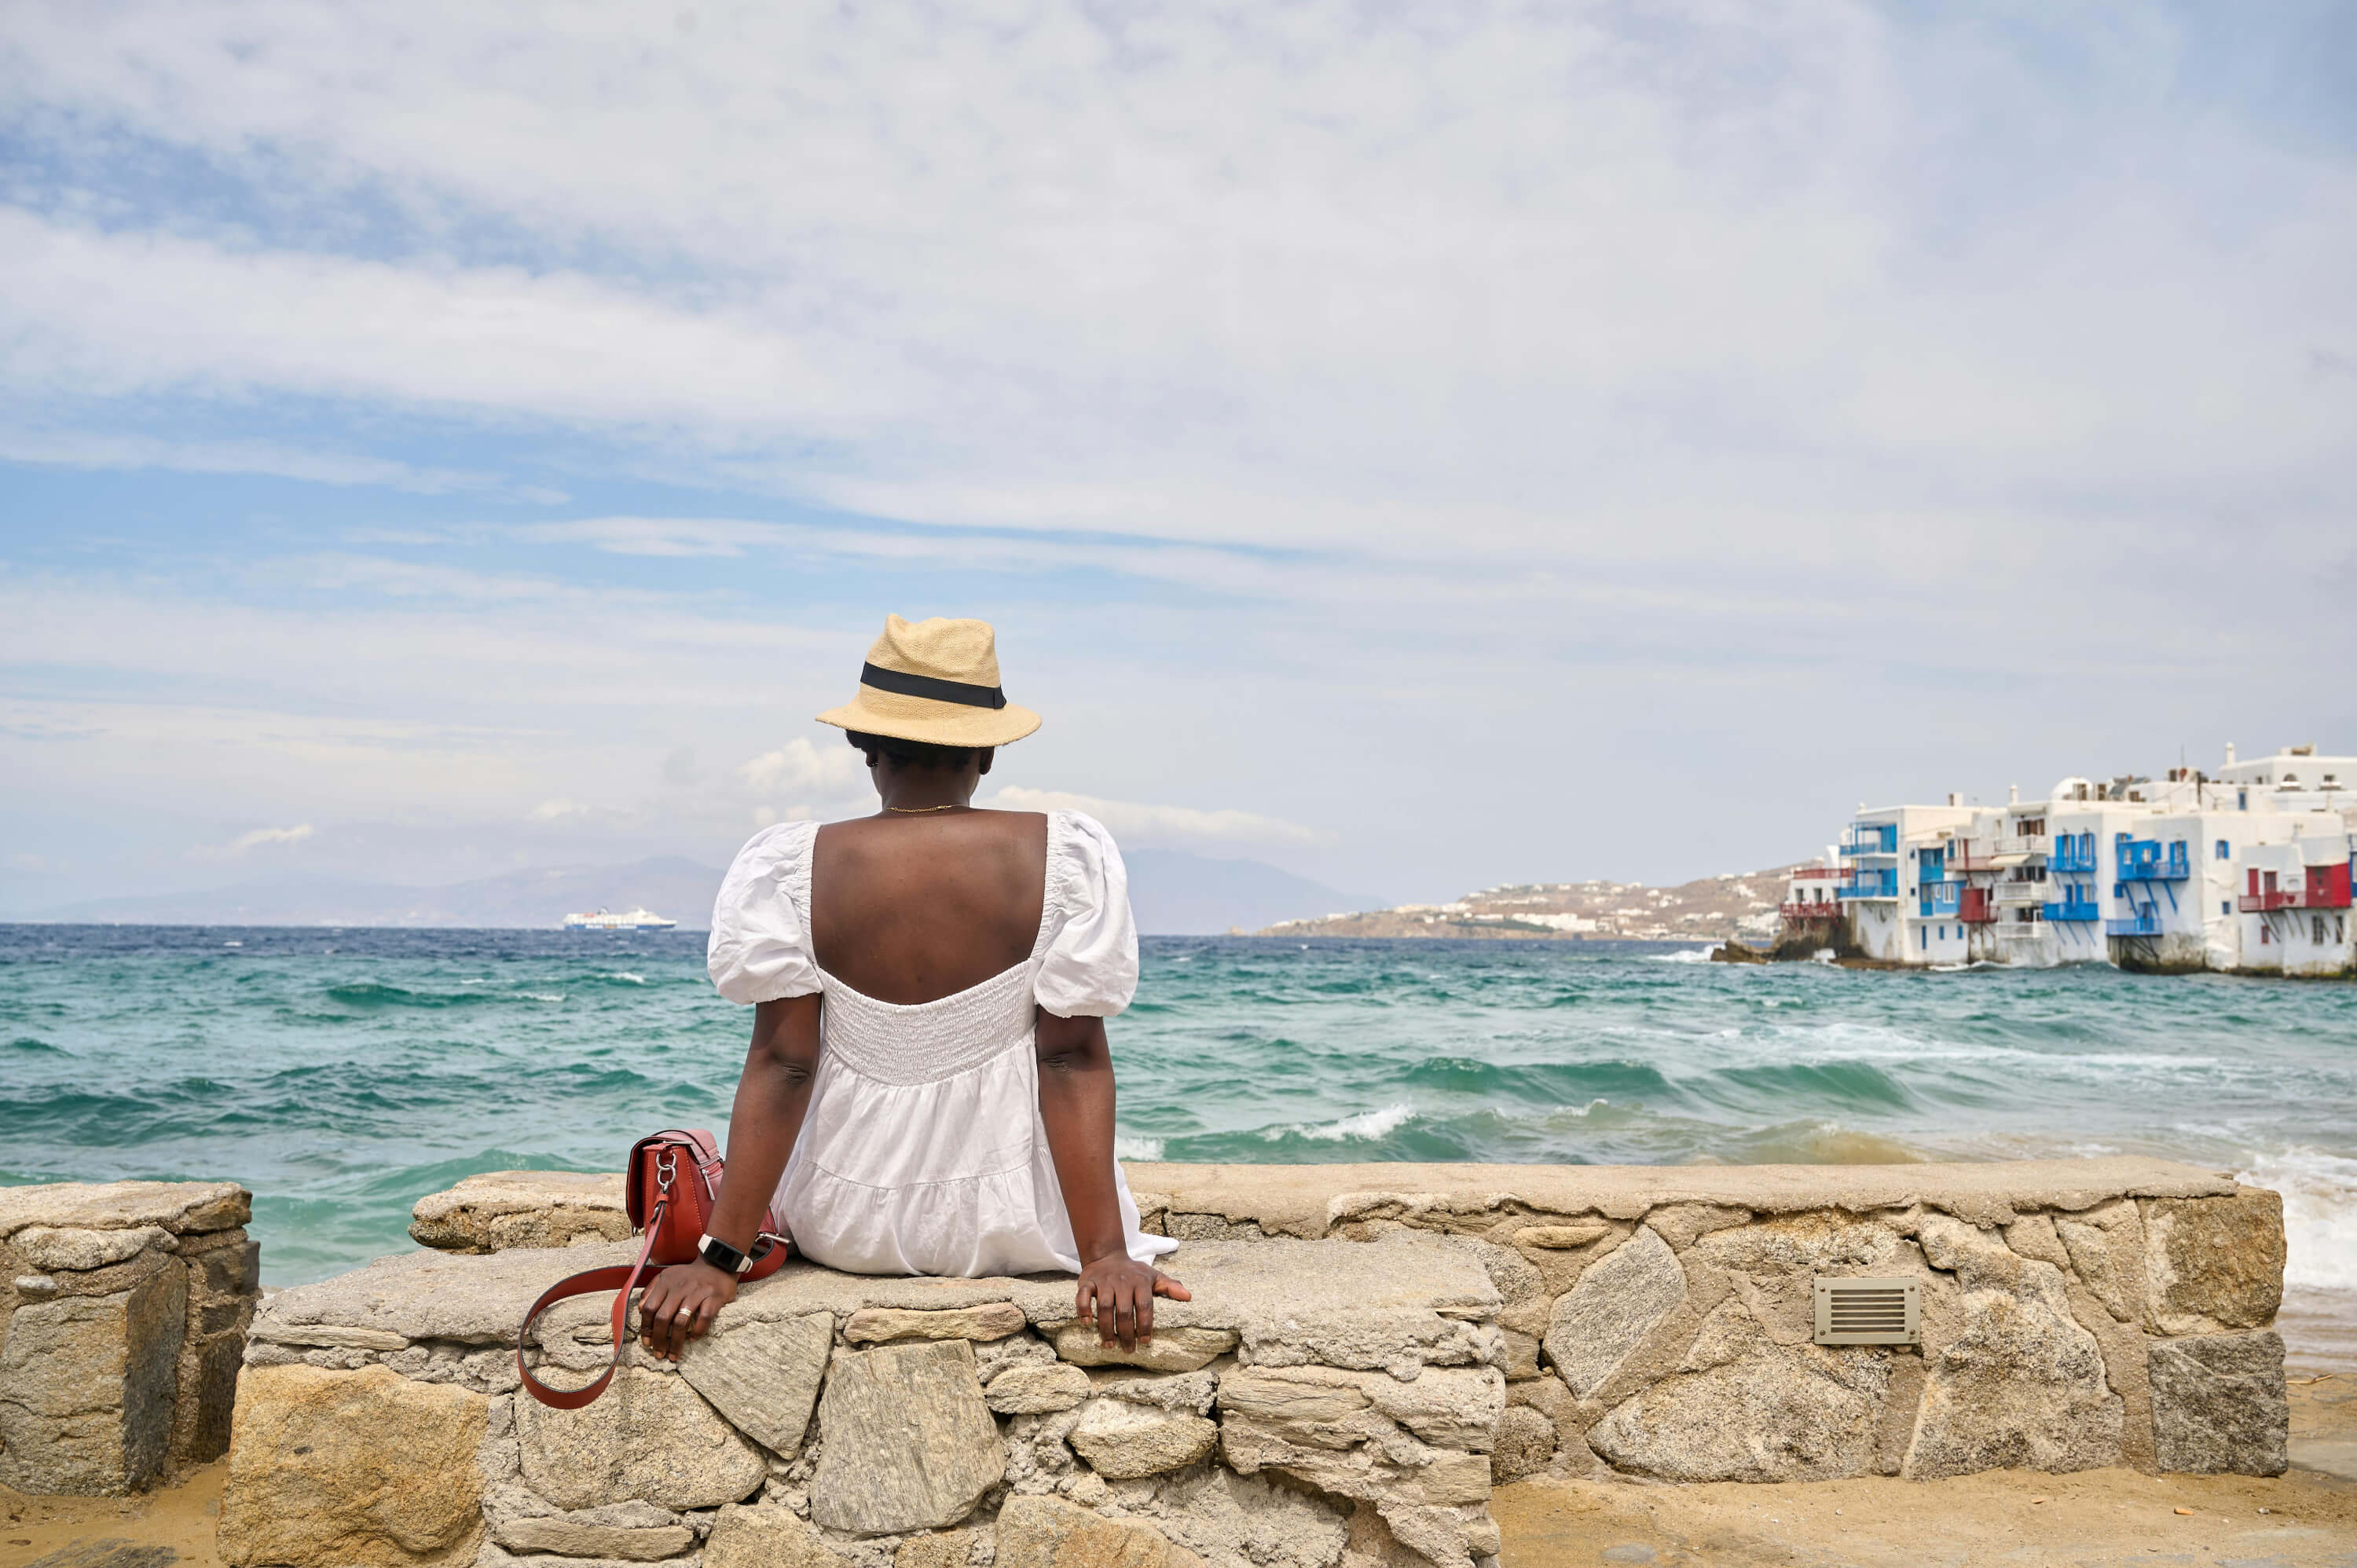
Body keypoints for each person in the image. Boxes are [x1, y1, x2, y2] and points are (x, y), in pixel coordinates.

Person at [637, 614, 1187, 1361]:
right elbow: (1071, 1060)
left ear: (861, 743)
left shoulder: (792, 865)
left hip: (847, 1223)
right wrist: (1105, 1255)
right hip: (1026, 1223)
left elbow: (784, 1065)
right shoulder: (1065, 855)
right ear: (988, 752)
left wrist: (718, 1260)